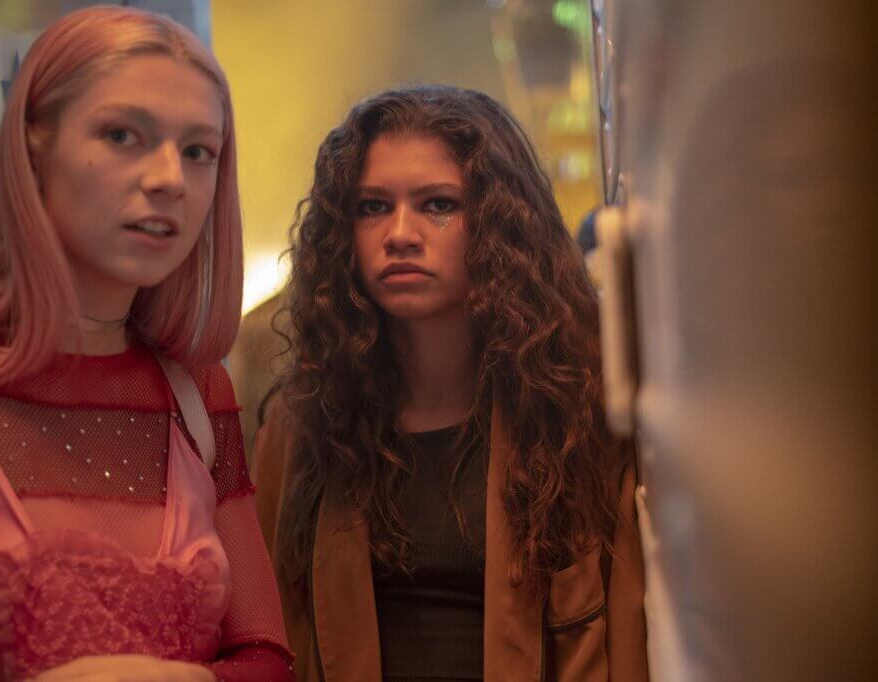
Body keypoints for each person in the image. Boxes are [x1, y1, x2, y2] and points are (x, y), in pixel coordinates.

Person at [0, 7, 292, 681]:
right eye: (123, 135)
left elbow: (266, 655)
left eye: (199, 150)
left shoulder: (198, 395)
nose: (170, 178)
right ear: (35, 145)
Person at [252, 86, 648, 681]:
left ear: (496, 224)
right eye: (371, 206)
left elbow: (629, 636)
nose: (401, 233)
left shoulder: (576, 410)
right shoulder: (304, 421)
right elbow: (271, 628)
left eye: (438, 204)